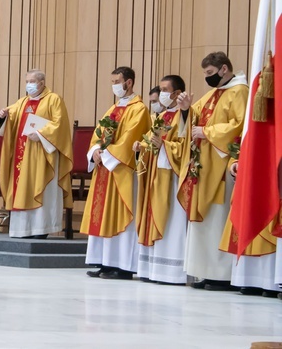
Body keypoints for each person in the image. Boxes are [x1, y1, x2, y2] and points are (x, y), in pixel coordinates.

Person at [176, 51, 248, 291]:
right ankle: (204, 272)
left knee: (218, 219)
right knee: (205, 221)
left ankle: (222, 275)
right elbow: (193, 119)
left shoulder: (240, 92)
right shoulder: (212, 94)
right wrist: (186, 109)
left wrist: (207, 133)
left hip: (223, 167)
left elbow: (239, 126)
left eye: (209, 73)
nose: (207, 78)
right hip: (204, 166)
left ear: (224, 69)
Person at [81, 66, 150, 280]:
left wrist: (107, 155)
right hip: (105, 170)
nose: (114, 86)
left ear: (129, 82)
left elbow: (130, 138)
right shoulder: (112, 109)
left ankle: (123, 266)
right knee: (102, 215)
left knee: (120, 216)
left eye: (117, 81)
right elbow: (97, 134)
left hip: (121, 171)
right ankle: (105, 263)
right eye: (112, 82)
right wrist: (95, 152)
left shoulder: (139, 109)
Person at [0, 69, 73, 239]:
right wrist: (4, 116)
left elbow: (60, 125)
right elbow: (11, 118)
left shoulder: (54, 99)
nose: (28, 85)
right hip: (22, 156)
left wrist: (39, 134)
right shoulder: (22, 102)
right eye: (26, 81)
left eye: (31, 81)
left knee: (42, 189)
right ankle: (23, 230)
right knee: (21, 188)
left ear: (41, 82)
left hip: (43, 155)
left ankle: (41, 229)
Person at [133, 75, 187, 284]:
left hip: (171, 176)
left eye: (165, 89)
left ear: (176, 93)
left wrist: (164, 146)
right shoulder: (161, 117)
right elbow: (151, 140)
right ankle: (151, 269)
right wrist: (142, 147)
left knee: (171, 219)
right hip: (155, 174)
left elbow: (185, 146)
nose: (161, 93)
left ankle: (171, 272)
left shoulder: (184, 116)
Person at [220, 159, 282, 296]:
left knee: (265, 211)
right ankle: (249, 279)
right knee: (249, 213)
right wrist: (236, 161)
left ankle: (269, 281)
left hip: (270, 163)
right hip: (249, 166)